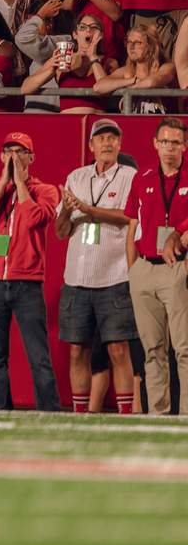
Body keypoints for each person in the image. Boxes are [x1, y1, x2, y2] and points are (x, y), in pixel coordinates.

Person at [0, 131, 65, 412]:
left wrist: (21, 183)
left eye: (20, 151)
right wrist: (3, 182)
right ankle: (0, 410)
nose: (14, 157)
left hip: (27, 282)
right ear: (1, 157)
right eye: (9, 151)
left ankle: (50, 412)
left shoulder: (45, 190)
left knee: (38, 356)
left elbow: (35, 218)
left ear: (31, 158)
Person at [56, 117, 142, 414]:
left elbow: (130, 218)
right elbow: (60, 231)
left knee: (118, 349)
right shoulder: (76, 177)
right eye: (101, 138)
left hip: (114, 277)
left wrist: (88, 209)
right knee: (78, 349)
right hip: (76, 278)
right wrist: (67, 211)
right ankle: (81, 416)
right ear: (90, 145)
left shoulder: (131, 176)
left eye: (112, 138)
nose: (107, 143)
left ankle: (125, 415)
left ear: (120, 144)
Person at [130, 117, 188, 416]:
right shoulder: (143, 177)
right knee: (152, 349)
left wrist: (180, 233)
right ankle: (158, 414)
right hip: (144, 269)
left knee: (184, 347)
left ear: (184, 146)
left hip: (177, 267)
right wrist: (132, 269)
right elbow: (132, 225)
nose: (169, 148)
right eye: (164, 141)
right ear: (155, 144)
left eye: (175, 142)